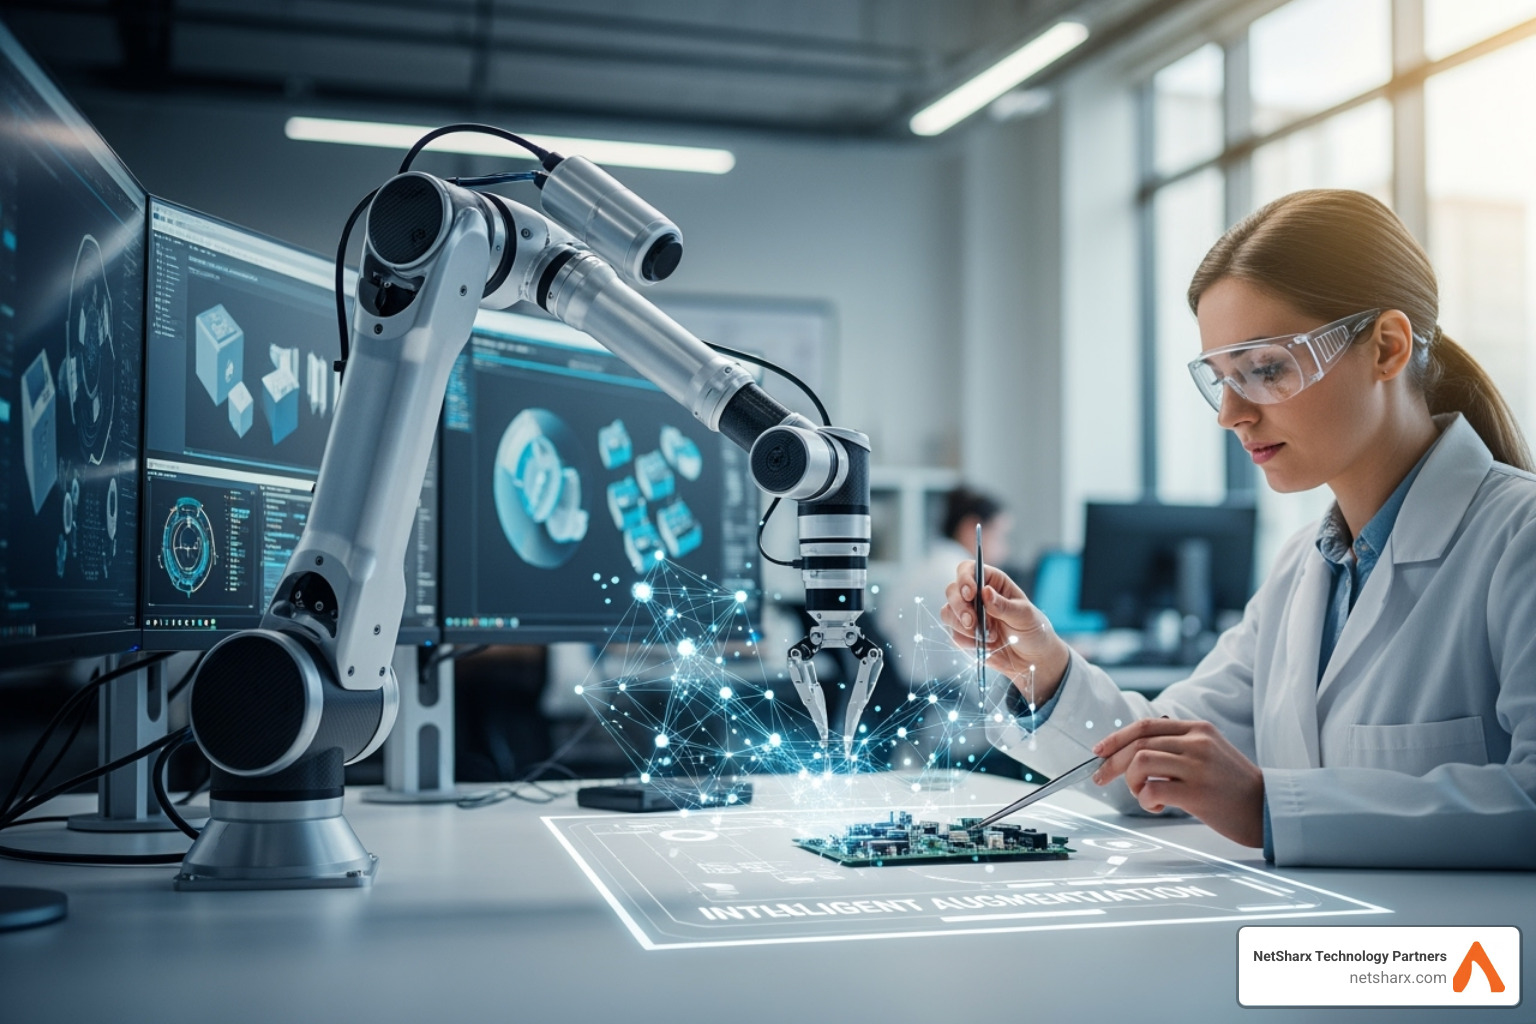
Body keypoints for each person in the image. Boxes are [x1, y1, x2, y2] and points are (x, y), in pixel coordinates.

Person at [943, 189, 1536, 869]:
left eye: (1266, 369)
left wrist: (1267, 806)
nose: (1230, 415)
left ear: (1387, 348)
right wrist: (1042, 667)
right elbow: (1157, 766)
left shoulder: (1517, 538)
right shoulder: (1304, 568)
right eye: (1221, 378)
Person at [877, 486, 1012, 686]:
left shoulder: (931, 565)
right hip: (929, 688)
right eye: (1000, 536)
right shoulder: (960, 578)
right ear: (972, 530)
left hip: (904, 683)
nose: (1005, 550)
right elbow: (978, 673)